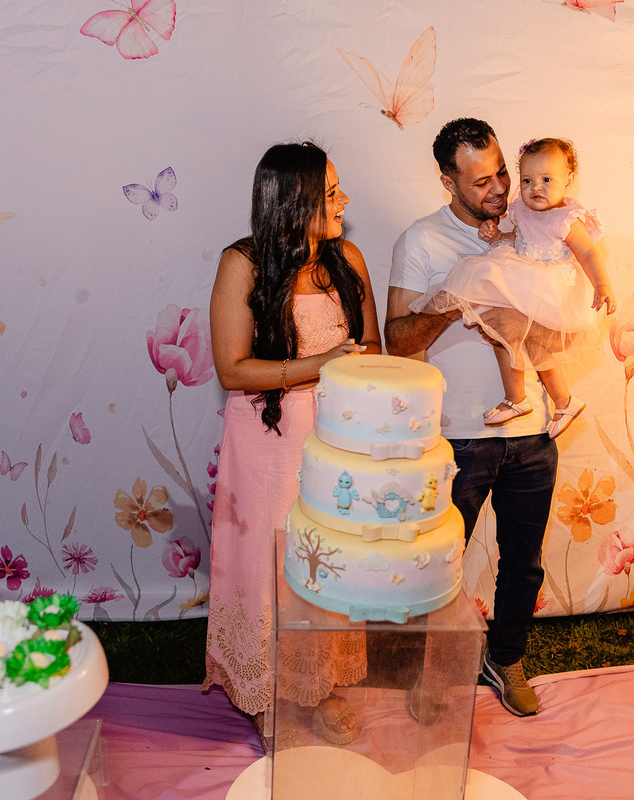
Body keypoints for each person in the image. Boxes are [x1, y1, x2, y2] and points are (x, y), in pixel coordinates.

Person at [203, 141, 382, 746]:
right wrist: (316, 364)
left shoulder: (348, 259)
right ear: (294, 199)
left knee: (323, 564)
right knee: (270, 565)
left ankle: (323, 683)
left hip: (337, 444)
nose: (344, 201)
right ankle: (263, 690)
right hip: (268, 440)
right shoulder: (243, 264)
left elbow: (374, 353)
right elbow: (231, 370)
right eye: (331, 193)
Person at [386, 118, 554, 717]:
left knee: (524, 564)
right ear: (446, 180)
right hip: (458, 438)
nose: (500, 189)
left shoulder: (529, 226)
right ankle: (432, 672)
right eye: (481, 180)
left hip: (531, 430)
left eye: (502, 172)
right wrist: (448, 302)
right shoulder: (422, 241)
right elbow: (398, 341)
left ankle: (505, 661)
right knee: (437, 563)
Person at [411, 137, 616, 439]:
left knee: (515, 330)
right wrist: (496, 237)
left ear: (568, 180)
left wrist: (602, 285)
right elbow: (520, 242)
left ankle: (520, 399)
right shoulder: (521, 209)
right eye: (528, 180)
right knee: (514, 336)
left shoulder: (567, 219)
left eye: (547, 179)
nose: (536, 188)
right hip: (527, 277)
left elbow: (587, 253)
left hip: (552, 287)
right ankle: (557, 401)